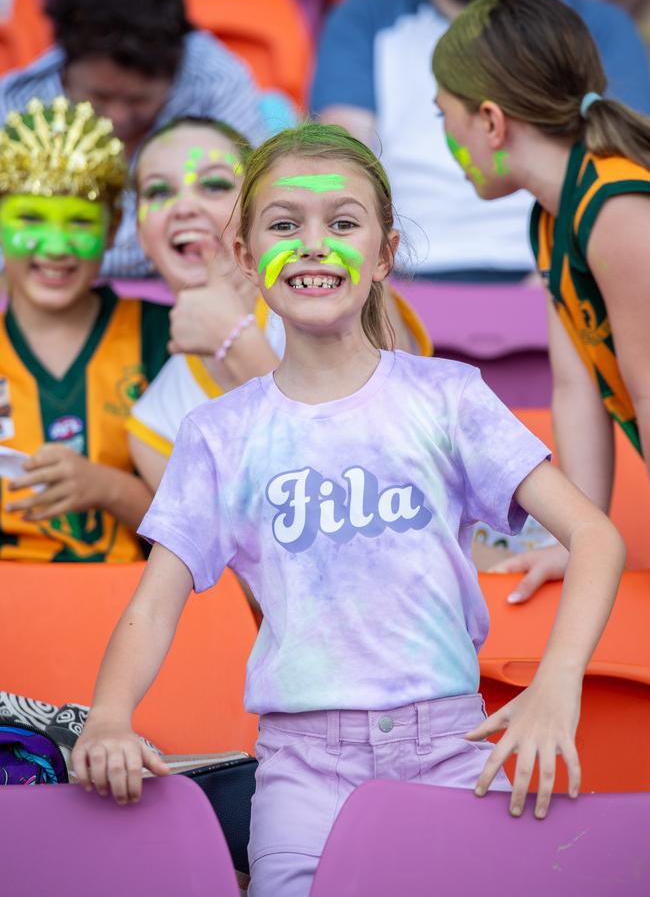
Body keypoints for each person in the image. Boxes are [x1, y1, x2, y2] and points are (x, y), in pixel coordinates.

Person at [72, 124, 624, 897]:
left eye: (342, 223)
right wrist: (107, 715)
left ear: (384, 253)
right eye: (284, 224)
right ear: (244, 254)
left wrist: (556, 688)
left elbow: (595, 536)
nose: (312, 244)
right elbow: (155, 605)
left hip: (452, 747)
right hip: (302, 769)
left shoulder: (448, 397)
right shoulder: (218, 435)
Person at [432, 0, 650, 601]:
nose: (446, 135)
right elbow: (578, 386)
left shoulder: (617, 206)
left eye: (443, 114)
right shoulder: (556, 217)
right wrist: (579, 536)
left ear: (492, 121)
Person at [311, 0, 650, 279]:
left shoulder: (599, 24)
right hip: (395, 281)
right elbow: (340, 162)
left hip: (566, 270)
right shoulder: (362, 17)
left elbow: (623, 162)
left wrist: (564, 281)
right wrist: (378, 289)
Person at [127, 117, 432, 489]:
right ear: (140, 235)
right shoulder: (154, 424)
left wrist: (235, 341)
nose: (185, 206)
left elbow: (384, 472)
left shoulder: (346, 293)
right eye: (159, 192)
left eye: (215, 185)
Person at [0, 0, 268, 277]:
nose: (116, 116)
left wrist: (73, 252)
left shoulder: (216, 83)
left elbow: (248, 210)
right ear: (64, 67)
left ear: (176, 71)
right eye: (99, 97)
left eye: (138, 100)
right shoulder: (20, 108)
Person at [0, 96, 170, 562]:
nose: (56, 247)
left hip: (129, 606)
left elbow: (210, 525)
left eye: (79, 222)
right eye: (30, 218)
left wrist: (109, 488)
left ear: (114, 227)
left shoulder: (161, 337)